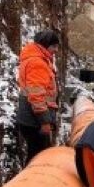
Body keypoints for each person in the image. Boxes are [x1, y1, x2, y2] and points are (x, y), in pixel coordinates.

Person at [15, 29, 60, 165]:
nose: (56, 50)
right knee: (38, 158)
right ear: (46, 45)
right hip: (35, 122)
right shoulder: (37, 63)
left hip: (30, 119)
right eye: (54, 46)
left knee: (35, 154)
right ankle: (31, 184)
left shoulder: (36, 59)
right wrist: (45, 122)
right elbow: (36, 96)